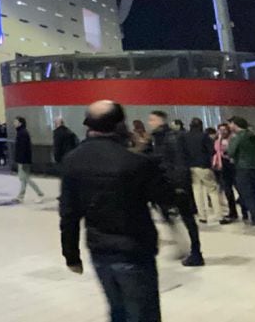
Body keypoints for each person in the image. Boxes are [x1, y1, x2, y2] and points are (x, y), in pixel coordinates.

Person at [60, 101, 176, 322]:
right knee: (143, 313)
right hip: (134, 249)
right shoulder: (136, 162)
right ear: (119, 125)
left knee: (117, 311)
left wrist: (71, 255)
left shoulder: (72, 160)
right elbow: (166, 197)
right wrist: (149, 157)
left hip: (99, 249)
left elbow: (69, 212)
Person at [145, 110, 203, 266]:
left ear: (160, 120)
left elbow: (178, 161)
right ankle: (187, 247)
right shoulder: (157, 138)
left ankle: (196, 252)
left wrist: (180, 184)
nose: (150, 122)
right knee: (169, 213)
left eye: (152, 119)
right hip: (164, 182)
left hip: (174, 182)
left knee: (187, 217)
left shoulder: (171, 137)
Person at [228, 115, 255, 228]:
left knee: (247, 194)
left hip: (243, 168)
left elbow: (231, 152)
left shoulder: (237, 138)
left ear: (235, 125)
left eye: (231, 124)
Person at [184, 118, 218, 223]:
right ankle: (219, 215)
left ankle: (202, 216)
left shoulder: (185, 136)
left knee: (197, 191)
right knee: (212, 190)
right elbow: (212, 150)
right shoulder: (204, 136)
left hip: (191, 166)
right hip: (204, 166)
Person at [12, 117, 45, 204]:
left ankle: (40, 193)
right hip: (22, 159)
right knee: (23, 179)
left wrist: (22, 160)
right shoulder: (21, 132)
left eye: (15, 121)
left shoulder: (22, 133)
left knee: (25, 178)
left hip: (23, 160)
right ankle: (20, 196)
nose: (14, 123)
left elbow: (23, 148)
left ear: (20, 123)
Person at [213, 122, 239, 223]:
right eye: (220, 130)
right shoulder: (217, 140)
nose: (223, 132)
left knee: (240, 189)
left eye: (225, 129)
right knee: (228, 191)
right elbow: (216, 151)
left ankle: (246, 211)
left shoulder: (233, 139)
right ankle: (233, 212)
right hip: (223, 167)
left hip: (233, 165)